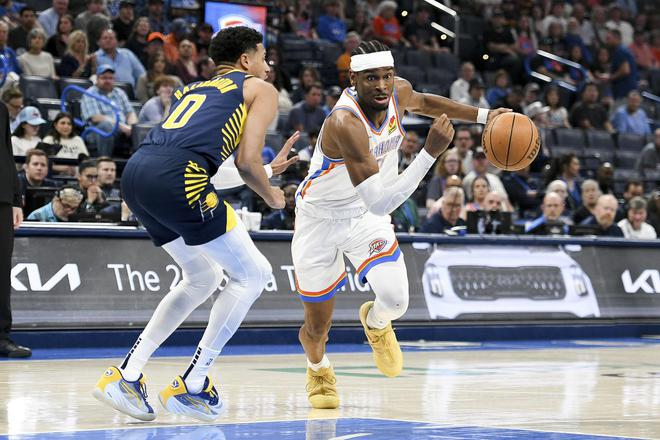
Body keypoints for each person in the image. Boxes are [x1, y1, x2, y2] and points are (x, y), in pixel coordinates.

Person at [91, 26, 298, 423]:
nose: (267, 65)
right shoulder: (260, 89)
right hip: (179, 179)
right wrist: (273, 195)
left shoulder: (193, 90)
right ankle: (193, 382)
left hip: (137, 175)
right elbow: (245, 163)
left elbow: (208, 165)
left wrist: (268, 170)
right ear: (245, 60)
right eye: (263, 57)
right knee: (254, 274)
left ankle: (127, 375)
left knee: (202, 277)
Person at [292, 40, 508, 409]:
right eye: (371, 78)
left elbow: (426, 103)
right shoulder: (344, 122)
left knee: (395, 302)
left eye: (387, 76)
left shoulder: (397, 92)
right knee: (317, 327)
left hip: (364, 218)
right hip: (321, 220)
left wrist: (485, 116)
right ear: (352, 79)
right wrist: (429, 153)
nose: (381, 85)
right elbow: (380, 201)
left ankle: (376, 324)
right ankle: (318, 369)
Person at [0, 99, 31, 357]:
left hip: (1, 200)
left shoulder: (0, 109)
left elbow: (6, 154)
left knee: (1, 271)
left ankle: (1, 336)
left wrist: (15, 199)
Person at [80, 64, 138, 157]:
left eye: (110, 78)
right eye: (104, 78)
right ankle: (104, 160)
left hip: (122, 130)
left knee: (140, 129)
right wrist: (122, 127)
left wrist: (133, 127)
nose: (107, 81)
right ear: (97, 79)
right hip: (96, 131)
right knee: (106, 126)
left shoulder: (119, 93)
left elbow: (130, 113)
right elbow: (96, 118)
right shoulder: (90, 93)